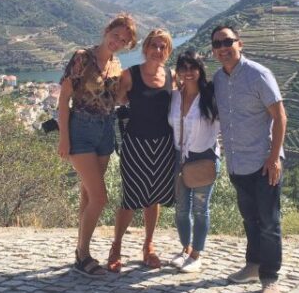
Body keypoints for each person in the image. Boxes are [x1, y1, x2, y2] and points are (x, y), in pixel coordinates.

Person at [211, 25, 288, 293]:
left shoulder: (259, 75)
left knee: (269, 222)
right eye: (218, 44)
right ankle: (253, 265)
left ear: (239, 44)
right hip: (237, 163)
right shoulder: (218, 79)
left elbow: (280, 117)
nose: (223, 47)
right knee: (250, 219)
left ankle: (270, 278)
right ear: (213, 51)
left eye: (228, 42)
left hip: (263, 162)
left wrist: (274, 157)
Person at [58, 14, 137, 276]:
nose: (118, 41)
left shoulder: (116, 65)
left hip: (105, 130)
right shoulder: (82, 57)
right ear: (107, 31)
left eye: (124, 40)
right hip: (80, 129)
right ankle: (83, 255)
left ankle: (81, 250)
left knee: (88, 195)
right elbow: (64, 100)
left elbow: (115, 100)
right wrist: (64, 138)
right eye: (116, 35)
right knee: (100, 197)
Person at [107, 28, 176, 272]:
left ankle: (148, 246)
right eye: (154, 45)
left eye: (163, 47)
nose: (158, 50)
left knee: (154, 197)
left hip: (164, 145)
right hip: (135, 144)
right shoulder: (130, 75)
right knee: (130, 198)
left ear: (168, 52)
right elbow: (116, 100)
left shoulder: (172, 75)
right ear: (145, 48)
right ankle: (116, 247)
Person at [167, 50, 221, 274]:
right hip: (179, 158)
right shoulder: (175, 96)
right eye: (183, 68)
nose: (188, 72)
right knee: (181, 210)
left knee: (200, 209)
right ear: (178, 71)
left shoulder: (211, 96)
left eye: (193, 67)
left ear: (200, 70)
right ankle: (185, 248)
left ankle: (197, 254)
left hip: (203, 158)